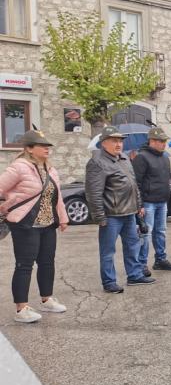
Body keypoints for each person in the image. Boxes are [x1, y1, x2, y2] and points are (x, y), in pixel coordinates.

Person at [0, 130, 70, 323]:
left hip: (47, 223)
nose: (47, 148)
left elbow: (58, 198)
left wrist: (63, 218)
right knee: (24, 265)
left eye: (48, 146)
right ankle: (21, 309)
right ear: (29, 149)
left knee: (47, 262)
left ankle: (46, 299)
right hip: (25, 223)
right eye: (42, 146)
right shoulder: (18, 167)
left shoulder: (50, 169)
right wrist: (7, 204)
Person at [85, 126, 153, 293]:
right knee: (108, 251)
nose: (119, 144)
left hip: (129, 213)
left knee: (133, 246)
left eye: (120, 140)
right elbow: (93, 193)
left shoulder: (124, 158)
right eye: (114, 140)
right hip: (111, 215)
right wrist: (100, 217)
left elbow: (133, 185)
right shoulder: (97, 162)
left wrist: (138, 206)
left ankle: (135, 275)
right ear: (104, 143)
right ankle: (109, 282)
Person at [132, 126, 171, 274]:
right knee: (145, 233)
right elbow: (136, 183)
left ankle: (160, 259)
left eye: (164, 141)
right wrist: (139, 205)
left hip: (162, 201)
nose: (163, 143)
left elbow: (167, 179)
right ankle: (141, 264)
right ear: (151, 141)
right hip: (148, 202)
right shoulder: (141, 157)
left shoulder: (165, 158)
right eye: (160, 141)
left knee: (161, 232)